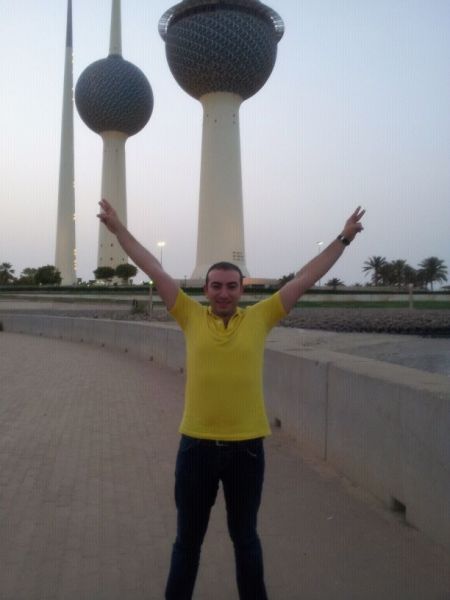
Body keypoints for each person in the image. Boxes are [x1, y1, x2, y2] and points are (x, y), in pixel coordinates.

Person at [97, 199, 365, 599]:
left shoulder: (260, 317)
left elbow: (305, 277)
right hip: (196, 448)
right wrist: (119, 231)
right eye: (216, 286)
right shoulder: (188, 314)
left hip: (247, 450)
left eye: (231, 286)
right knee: (187, 542)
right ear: (205, 289)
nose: (223, 293)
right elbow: (153, 267)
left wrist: (343, 238)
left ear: (242, 289)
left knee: (245, 539)